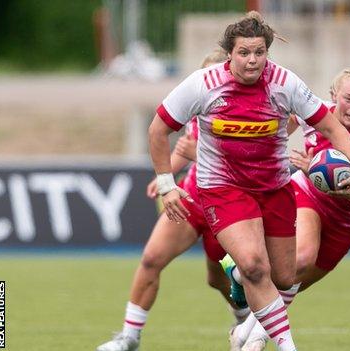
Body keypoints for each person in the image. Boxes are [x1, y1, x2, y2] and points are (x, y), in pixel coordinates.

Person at [147, 12, 350, 351]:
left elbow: (330, 126)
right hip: (223, 188)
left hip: (274, 189)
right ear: (230, 53)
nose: (252, 60)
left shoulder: (285, 83)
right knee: (254, 264)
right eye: (244, 53)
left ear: (267, 52)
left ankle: (234, 275)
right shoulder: (203, 84)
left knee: (282, 277)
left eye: (259, 52)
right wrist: (167, 183)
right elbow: (158, 129)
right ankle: (286, 345)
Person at [224, 68, 350, 351]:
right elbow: (276, 135)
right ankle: (258, 339)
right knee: (300, 260)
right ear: (333, 95)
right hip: (306, 195)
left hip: (348, 218)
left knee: (294, 283)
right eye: (348, 98)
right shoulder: (314, 112)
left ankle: (243, 329)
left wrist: (314, 167)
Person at [96, 49, 243, 351]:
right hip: (193, 199)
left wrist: (196, 154)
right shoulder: (196, 106)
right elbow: (182, 149)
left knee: (217, 279)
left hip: (229, 205)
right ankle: (129, 337)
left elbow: (248, 166)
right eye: (207, 77)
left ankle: (244, 324)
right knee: (151, 259)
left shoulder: (245, 115)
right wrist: (166, 173)